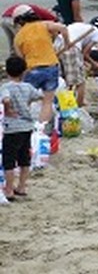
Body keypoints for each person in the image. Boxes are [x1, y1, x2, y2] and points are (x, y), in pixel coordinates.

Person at [12, 4, 70, 124]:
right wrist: (67, 44)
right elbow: (63, 28)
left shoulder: (18, 37)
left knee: (25, 101)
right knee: (47, 102)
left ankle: (25, 125)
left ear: (19, 21)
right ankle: (41, 129)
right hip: (51, 67)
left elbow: (21, 61)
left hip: (32, 69)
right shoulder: (45, 25)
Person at [2, 55, 43, 201]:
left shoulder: (6, 87)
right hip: (27, 126)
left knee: (9, 161)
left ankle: (8, 189)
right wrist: (27, 103)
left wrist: (8, 109)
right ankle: (22, 186)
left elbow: (5, 99)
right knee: (24, 158)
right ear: (24, 71)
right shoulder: (28, 87)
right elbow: (40, 96)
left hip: (12, 128)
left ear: (7, 71)